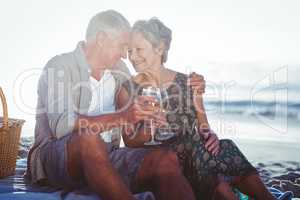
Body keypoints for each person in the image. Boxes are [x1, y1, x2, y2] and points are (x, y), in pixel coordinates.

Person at [26, 10, 196, 200]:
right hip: (57, 158)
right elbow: (62, 126)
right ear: (101, 39)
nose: (126, 55)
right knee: (88, 139)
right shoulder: (60, 66)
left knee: (165, 160)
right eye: (123, 46)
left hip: (107, 156)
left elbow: (131, 127)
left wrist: (147, 118)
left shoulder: (120, 71)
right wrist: (123, 116)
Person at [117, 17, 276, 200]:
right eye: (130, 51)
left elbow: (203, 127)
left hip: (199, 158)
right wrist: (149, 127)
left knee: (223, 147)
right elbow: (129, 141)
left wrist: (210, 137)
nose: (133, 57)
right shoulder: (127, 91)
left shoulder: (189, 83)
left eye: (138, 49)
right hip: (167, 163)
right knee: (212, 167)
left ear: (159, 48)